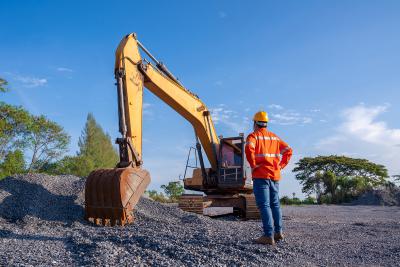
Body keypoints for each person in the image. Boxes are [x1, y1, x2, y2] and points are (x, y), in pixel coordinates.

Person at [245, 111, 293, 245]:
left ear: (255, 123)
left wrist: (253, 165)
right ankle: (278, 233)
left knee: (264, 205)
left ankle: (268, 235)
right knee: (275, 204)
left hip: (261, 175)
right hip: (275, 175)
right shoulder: (274, 138)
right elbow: (289, 150)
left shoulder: (253, 136)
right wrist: (281, 165)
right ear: (265, 124)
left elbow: (249, 148)